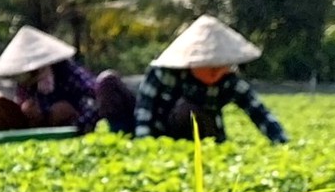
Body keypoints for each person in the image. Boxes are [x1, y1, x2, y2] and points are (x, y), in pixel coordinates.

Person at [116, 15, 289, 144]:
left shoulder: (229, 81)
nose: (215, 74)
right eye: (210, 67)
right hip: (163, 136)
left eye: (220, 67)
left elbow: (260, 112)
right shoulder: (163, 74)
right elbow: (145, 111)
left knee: (191, 111)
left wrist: (282, 143)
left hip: (207, 140)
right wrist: (146, 146)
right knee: (186, 109)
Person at [0, 25, 134, 135]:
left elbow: (95, 99)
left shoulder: (67, 71)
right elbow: (23, 105)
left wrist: (74, 124)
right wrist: (29, 109)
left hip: (66, 125)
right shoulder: (24, 81)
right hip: (33, 127)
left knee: (60, 109)